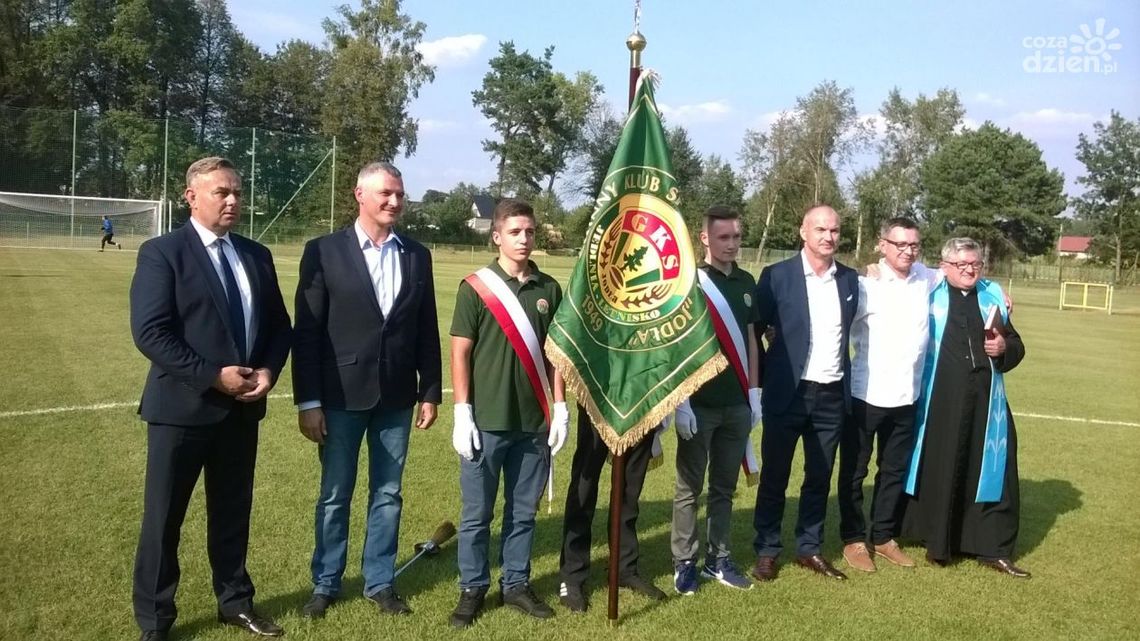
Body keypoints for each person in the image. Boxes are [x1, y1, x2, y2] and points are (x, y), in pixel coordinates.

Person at [129, 156, 292, 641]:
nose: (233, 200)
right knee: (164, 520)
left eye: (237, 191)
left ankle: (235, 602)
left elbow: (280, 328)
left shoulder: (255, 255)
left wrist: (266, 369)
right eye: (222, 192)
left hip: (241, 413)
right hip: (181, 410)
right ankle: (156, 621)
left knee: (232, 512)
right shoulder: (163, 252)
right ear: (191, 196)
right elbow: (150, 333)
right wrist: (212, 377)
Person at [291, 161, 442, 618]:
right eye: (386, 194)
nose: (395, 201)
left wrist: (431, 390)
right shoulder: (323, 251)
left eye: (399, 194)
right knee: (335, 494)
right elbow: (308, 332)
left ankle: (380, 582)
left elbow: (425, 329)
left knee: (388, 494)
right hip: (338, 397)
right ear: (360, 195)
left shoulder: (417, 255)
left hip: (396, 397)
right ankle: (326, 583)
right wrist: (309, 401)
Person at [448, 199, 570, 628]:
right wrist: (462, 411)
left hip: (533, 422)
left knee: (523, 511)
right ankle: (473, 587)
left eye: (530, 231)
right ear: (496, 235)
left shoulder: (549, 289)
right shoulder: (475, 287)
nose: (524, 239)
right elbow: (460, 350)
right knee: (476, 513)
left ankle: (516, 583)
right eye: (515, 231)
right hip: (485, 421)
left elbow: (556, 355)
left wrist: (559, 405)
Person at [900, 237, 1029, 578]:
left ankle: (992, 547)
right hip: (940, 400)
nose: (970, 270)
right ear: (944, 267)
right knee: (944, 466)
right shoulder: (928, 296)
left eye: (975, 264)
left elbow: (1016, 344)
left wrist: (1004, 346)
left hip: (988, 402)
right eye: (961, 265)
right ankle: (939, 544)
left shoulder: (992, 296)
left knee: (994, 471)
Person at [750, 204, 859, 582]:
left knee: (819, 476)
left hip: (831, 396)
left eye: (835, 231)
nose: (828, 237)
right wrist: (772, 367)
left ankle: (809, 548)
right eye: (821, 230)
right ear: (803, 232)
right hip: (787, 394)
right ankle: (766, 549)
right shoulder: (777, 276)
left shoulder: (849, 279)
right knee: (775, 476)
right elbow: (755, 329)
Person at [836, 217, 937, 572]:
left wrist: (997, 290)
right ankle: (852, 538)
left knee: (893, 470)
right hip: (866, 395)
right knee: (854, 471)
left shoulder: (926, 277)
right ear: (882, 245)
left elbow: (960, 271)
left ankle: (882, 536)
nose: (908, 251)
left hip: (908, 397)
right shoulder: (866, 284)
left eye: (913, 245)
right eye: (900, 245)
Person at [670, 205, 761, 594]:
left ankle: (718, 559)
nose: (732, 244)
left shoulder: (746, 282)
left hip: (737, 403)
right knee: (688, 488)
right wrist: (681, 400)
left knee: (724, 487)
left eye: (737, 237)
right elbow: (676, 344)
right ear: (704, 238)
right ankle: (684, 561)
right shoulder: (689, 282)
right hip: (699, 404)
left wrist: (755, 392)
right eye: (723, 237)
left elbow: (753, 340)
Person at [557, 409, 666, 612]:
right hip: (599, 394)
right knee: (585, 483)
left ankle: (625, 567)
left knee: (630, 488)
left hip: (641, 394)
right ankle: (572, 574)